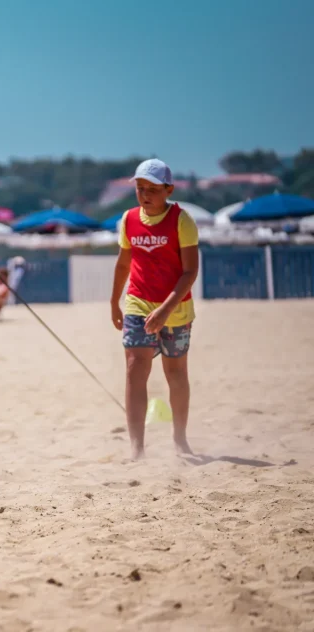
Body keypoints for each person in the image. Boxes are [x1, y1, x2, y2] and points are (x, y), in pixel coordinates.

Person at [110, 159, 199, 460]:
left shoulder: (181, 220)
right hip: (137, 302)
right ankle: (137, 448)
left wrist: (164, 310)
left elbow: (189, 272)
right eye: (140, 188)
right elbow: (124, 263)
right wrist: (114, 301)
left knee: (175, 372)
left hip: (175, 307)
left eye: (152, 189)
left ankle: (180, 439)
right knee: (136, 369)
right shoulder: (129, 219)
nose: (145, 194)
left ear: (168, 190)